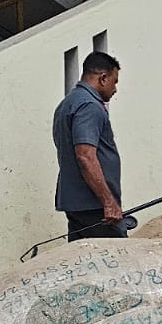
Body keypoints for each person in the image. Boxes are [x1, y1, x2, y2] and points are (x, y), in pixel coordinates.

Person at [52, 51, 124, 242]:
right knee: (115, 263)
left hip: (77, 204)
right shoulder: (89, 106)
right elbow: (85, 156)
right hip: (94, 207)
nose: (115, 89)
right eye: (114, 82)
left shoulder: (67, 104)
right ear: (103, 78)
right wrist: (109, 202)